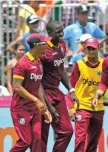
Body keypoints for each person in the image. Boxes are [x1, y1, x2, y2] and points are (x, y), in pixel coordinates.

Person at [10, 33, 52, 151]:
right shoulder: (22, 63)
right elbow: (17, 87)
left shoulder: (38, 62)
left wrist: (44, 108)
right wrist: (36, 100)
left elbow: (37, 85)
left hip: (34, 109)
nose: (47, 46)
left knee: (37, 142)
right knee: (25, 141)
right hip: (21, 108)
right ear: (37, 45)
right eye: (44, 43)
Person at [40, 20, 75, 152]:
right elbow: (37, 81)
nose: (62, 34)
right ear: (49, 33)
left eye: (62, 30)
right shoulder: (42, 50)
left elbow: (61, 69)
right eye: (58, 32)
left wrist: (70, 89)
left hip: (57, 92)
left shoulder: (61, 45)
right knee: (41, 137)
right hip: (43, 94)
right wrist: (47, 105)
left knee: (67, 131)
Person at [68, 38, 104, 151]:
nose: (91, 51)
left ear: (99, 48)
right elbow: (71, 88)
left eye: (94, 48)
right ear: (85, 49)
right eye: (89, 48)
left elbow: (106, 84)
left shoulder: (104, 64)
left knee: (93, 143)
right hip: (82, 107)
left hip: (98, 108)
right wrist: (71, 108)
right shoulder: (79, 65)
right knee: (80, 141)